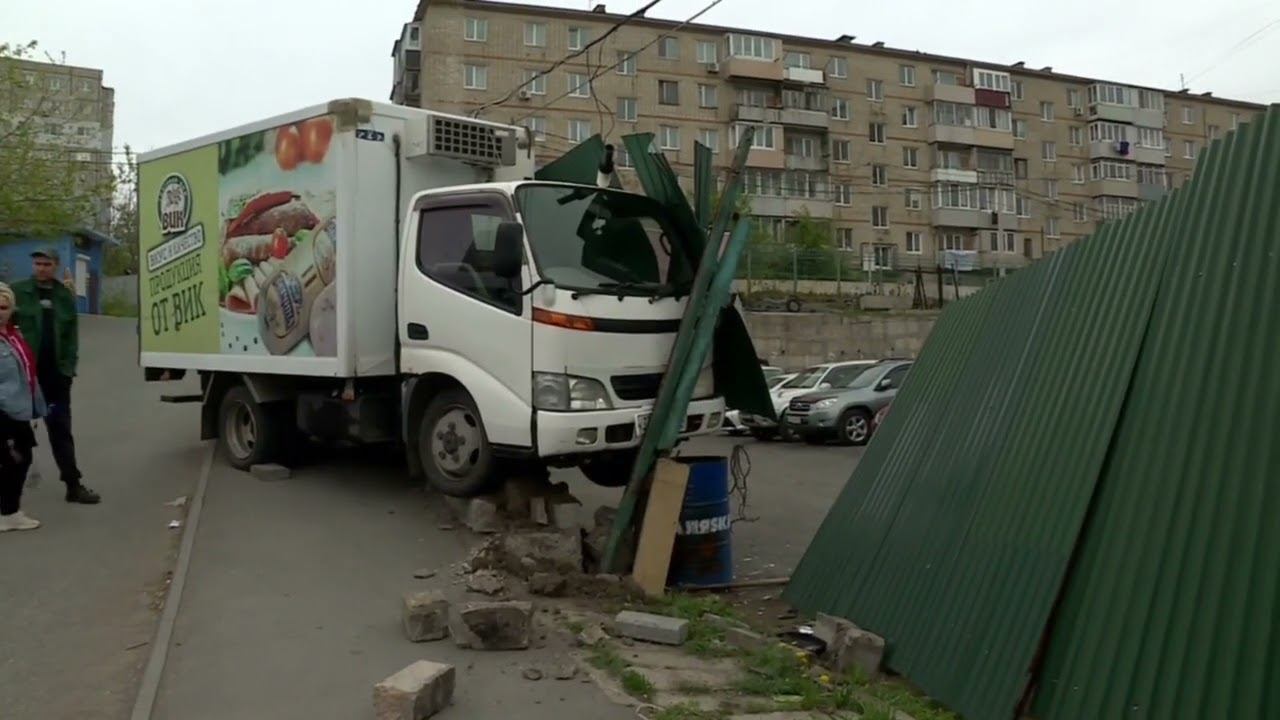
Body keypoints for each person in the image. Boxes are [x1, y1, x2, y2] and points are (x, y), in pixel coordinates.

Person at [12, 248, 99, 504]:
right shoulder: (17, 291)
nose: (41, 268)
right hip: (23, 377)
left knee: (60, 430)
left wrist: (69, 367)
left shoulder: (63, 296)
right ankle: (10, 495)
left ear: (56, 265)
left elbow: (71, 336)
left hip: (55, 378)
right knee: (15, 433)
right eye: (37, 263)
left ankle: (73, 485)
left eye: (46, 263)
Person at [0, 282, 46, 532]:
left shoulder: (12, 335)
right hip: (4, 410)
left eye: (4, 306)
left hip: (18, 407)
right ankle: (8, 513)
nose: (0, 311)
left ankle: (9, 510)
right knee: (16, 458)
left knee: (17, 457)